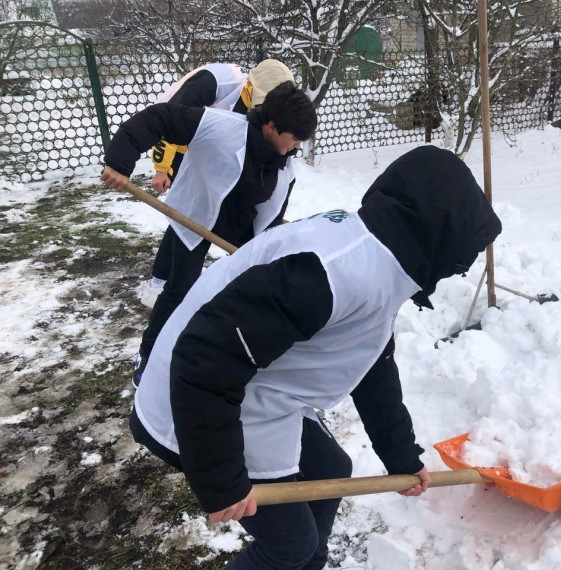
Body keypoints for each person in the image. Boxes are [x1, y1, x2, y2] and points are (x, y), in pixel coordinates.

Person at [127, 145, 503, 569]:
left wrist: (401, 457)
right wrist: (221, 481)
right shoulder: (335, 271)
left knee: (331, 473)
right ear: (435, 233)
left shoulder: (376, 258)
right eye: (464, 251)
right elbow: (204, 355)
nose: (465, 265)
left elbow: (372, 361)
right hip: (190, 405)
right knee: (288, 544)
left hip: (249, 390)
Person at [100, 80, 317, 387]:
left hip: (239, 222)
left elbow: (273, 212)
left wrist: (266, 247)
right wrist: (119, 161)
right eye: (294, 138)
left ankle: (233, 352)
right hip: (194, 212)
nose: (297, 146)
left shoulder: (284, 167)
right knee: (180, 289)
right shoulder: (220, 126)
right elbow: (158, 117)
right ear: (270, 125)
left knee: (251, 289)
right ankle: (150, 354)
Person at [143, 60, 295, 308]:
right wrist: (163, 169)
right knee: (189, 214)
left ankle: (168, 280)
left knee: (198, 215)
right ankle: (163, 283)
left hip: (218, 153)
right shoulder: (216, 83)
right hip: (184, 140)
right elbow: (169, 119)